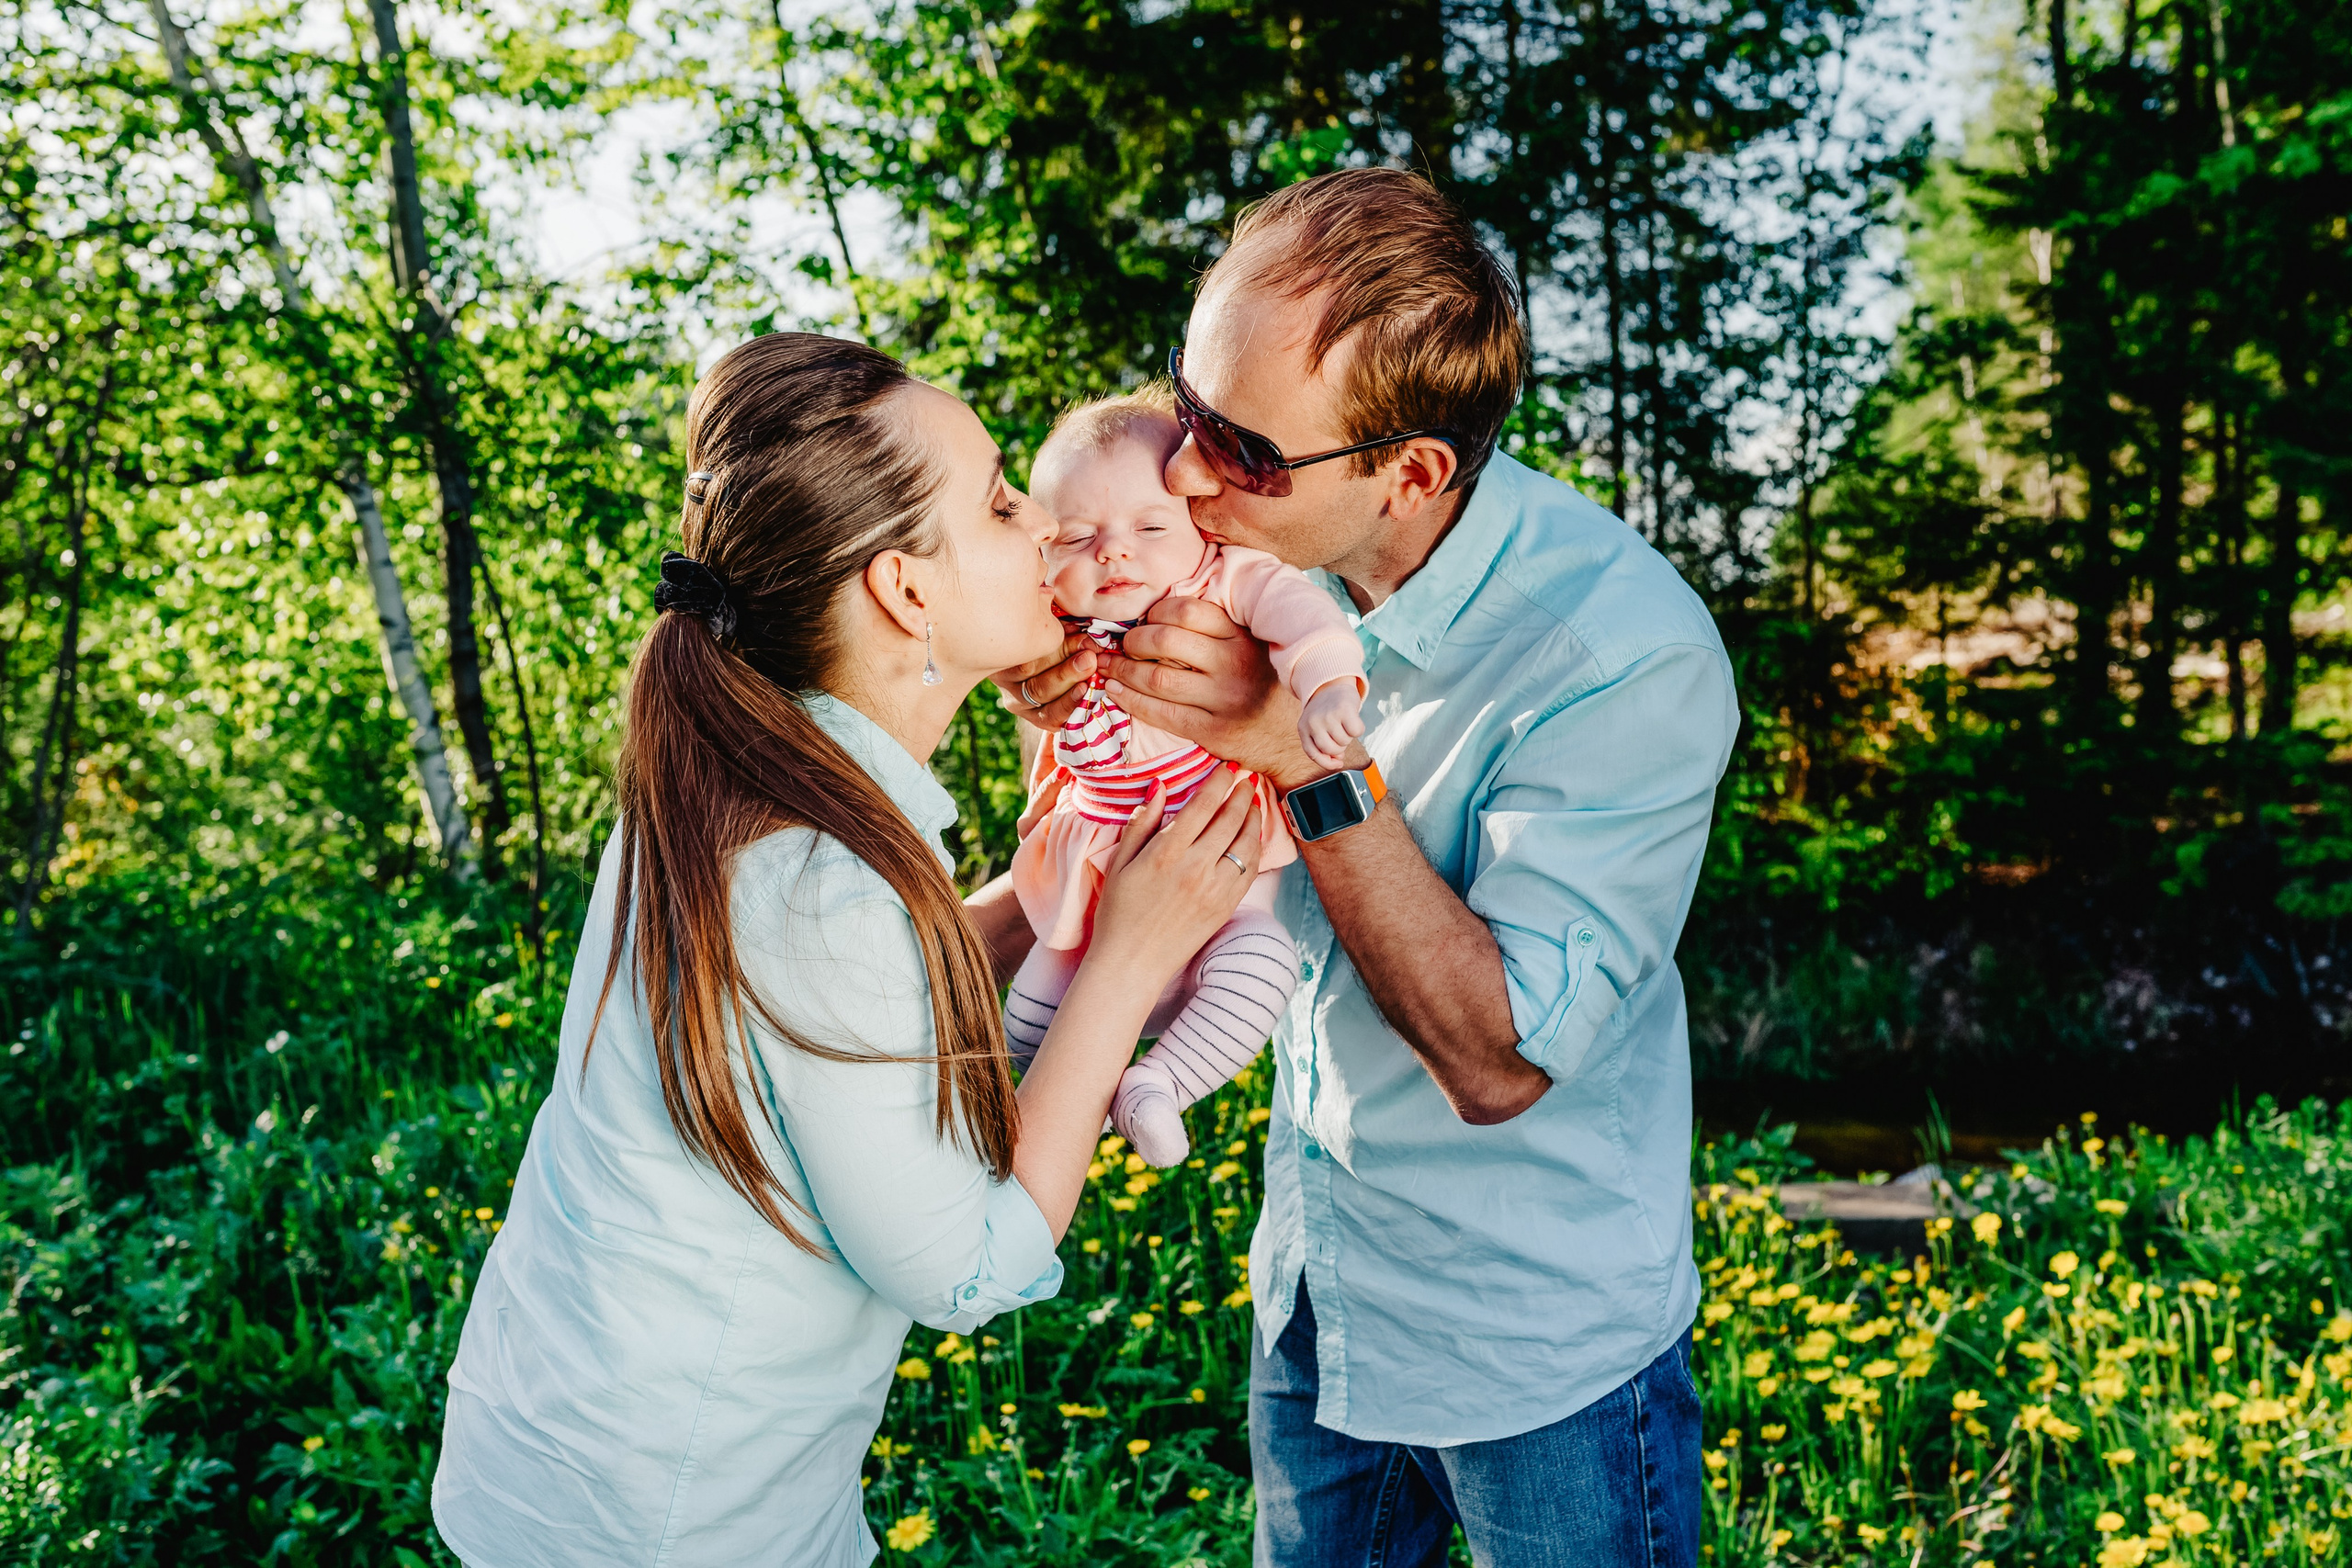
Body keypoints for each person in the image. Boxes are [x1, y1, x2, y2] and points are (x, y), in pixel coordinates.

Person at [431, 333, 1268, 1568]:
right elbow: (969, 1262)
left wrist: (1040, 908)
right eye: (998, 504)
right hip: (677, 1521)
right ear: (907, 592)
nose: (1047, 530)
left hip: (574, 1452)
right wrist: (1130, 956)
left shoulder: (728, 776)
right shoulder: (828, 883)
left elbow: (830, 1014)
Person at [999, 168, 1738, 1566]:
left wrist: (1303, 757)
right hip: (1319, 1294)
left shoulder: (1623, 655)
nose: (1188, 472)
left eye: (1249, 451)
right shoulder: (1233, 548)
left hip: (1541, 1350)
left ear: (1409, 473)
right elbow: (1116, 825)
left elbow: (1499, 1057)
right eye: (1190, 406)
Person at [1004, 389, 1367, 1168]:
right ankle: (1027, 1103)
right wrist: (1018, 679)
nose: (1113, 552)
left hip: (1221, 892)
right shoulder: (1054, 621)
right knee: (1032, 1004)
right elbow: (1001, 648)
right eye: (1077, 536)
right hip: (1093, 888)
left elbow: (1303, 616)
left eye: (1149, 527)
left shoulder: (1221, 578)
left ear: (1196, 525)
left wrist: (1329, 684)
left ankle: (1156, 1085)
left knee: (1264, 966)